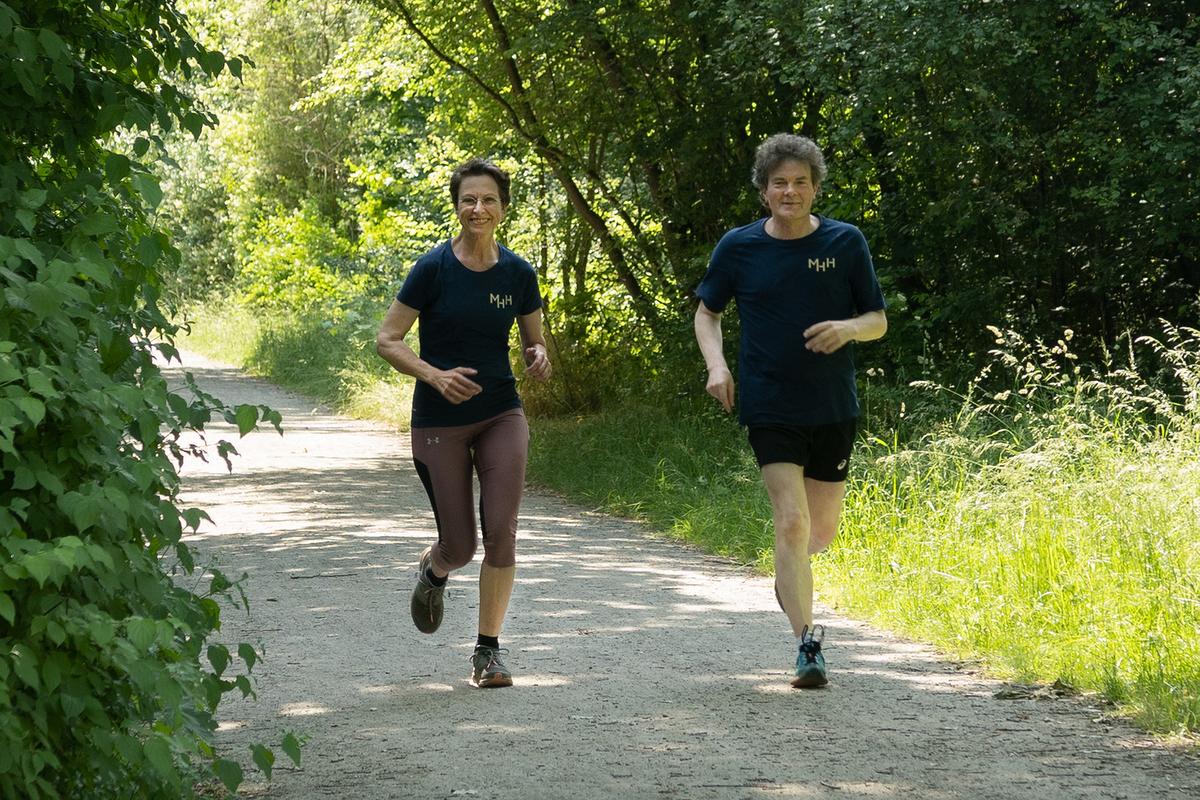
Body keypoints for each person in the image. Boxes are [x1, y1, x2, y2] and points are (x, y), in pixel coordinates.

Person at [693, 134, 887, 688]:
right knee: (793, 522)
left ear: (815, 188)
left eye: (801, 182)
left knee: (818, 532)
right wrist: (718, 367)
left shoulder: (847, 243)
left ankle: (790, 572)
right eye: (779, 182)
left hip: (831, 406)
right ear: (763, 192)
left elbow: (877, 318)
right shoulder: (739, 247)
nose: (790, 191)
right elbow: (707, 314)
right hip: (769, 403)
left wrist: (848, 328)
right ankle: (808, 646)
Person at [376, 158, 551, 688]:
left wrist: (539, 355)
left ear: (502, 207)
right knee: (461, 546)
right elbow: (388, 339)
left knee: (501, 536)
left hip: (501, 411)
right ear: (457, 206)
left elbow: (534, 338)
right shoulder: (432, 269)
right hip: (439, 421)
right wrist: (435, 376)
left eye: (489, 199)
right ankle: (434, 570)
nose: (479, 208)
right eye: (469, 199)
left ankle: (487, 651)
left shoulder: (518, 273)